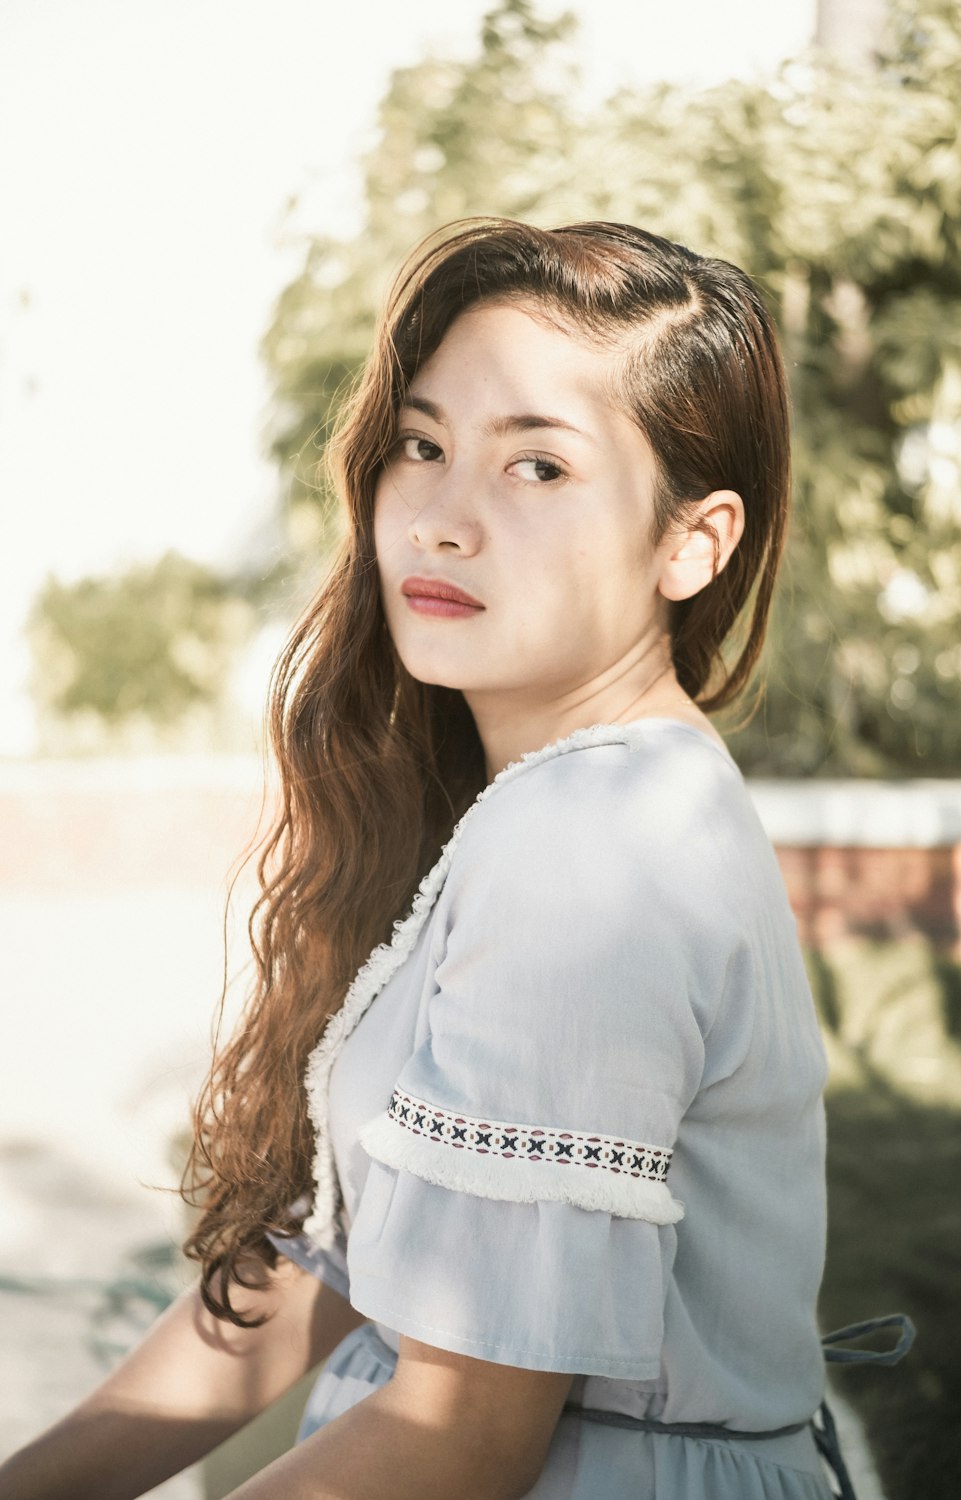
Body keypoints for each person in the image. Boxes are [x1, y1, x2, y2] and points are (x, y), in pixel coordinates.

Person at [0, 218, 843, 1499]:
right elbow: (326, 1279)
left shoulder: (587, 847)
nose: (442, 520)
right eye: (424, 446)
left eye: (538, 468)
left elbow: (459, 1434)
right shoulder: (555, 800)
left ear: (693, 543)